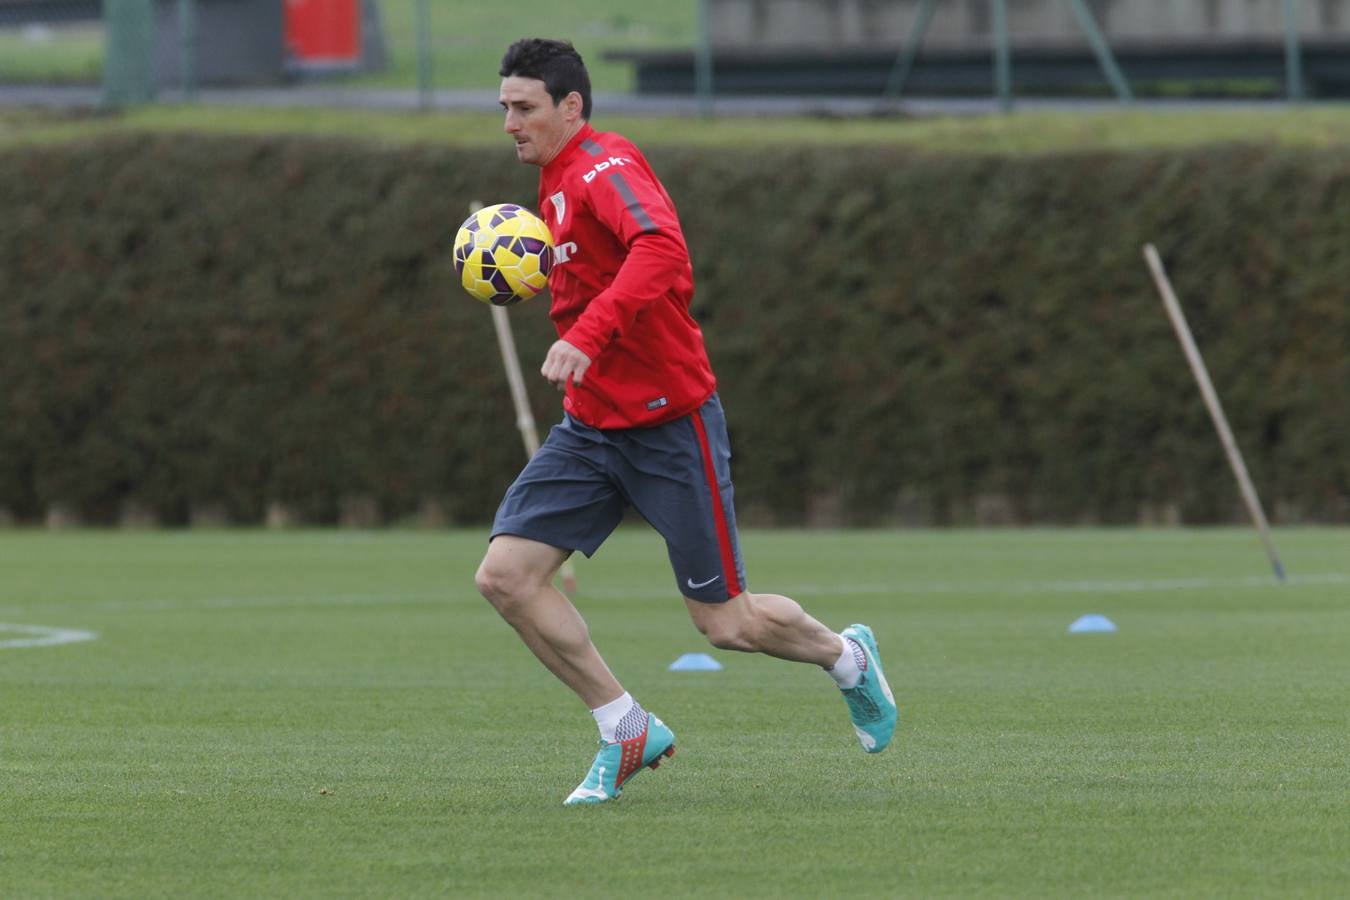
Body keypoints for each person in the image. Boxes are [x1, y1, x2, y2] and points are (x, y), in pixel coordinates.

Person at [475, 38, 897, 806]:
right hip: (590, 428)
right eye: (504, 106)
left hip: (671, 423)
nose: (509, 121)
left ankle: (847, 658)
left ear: (571, 107)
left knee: (726, 623)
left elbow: (661, 249)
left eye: (524, 106)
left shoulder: (606, 167)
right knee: (505, 578)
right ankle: (625, 727)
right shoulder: (553, 185)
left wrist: (585, 334)